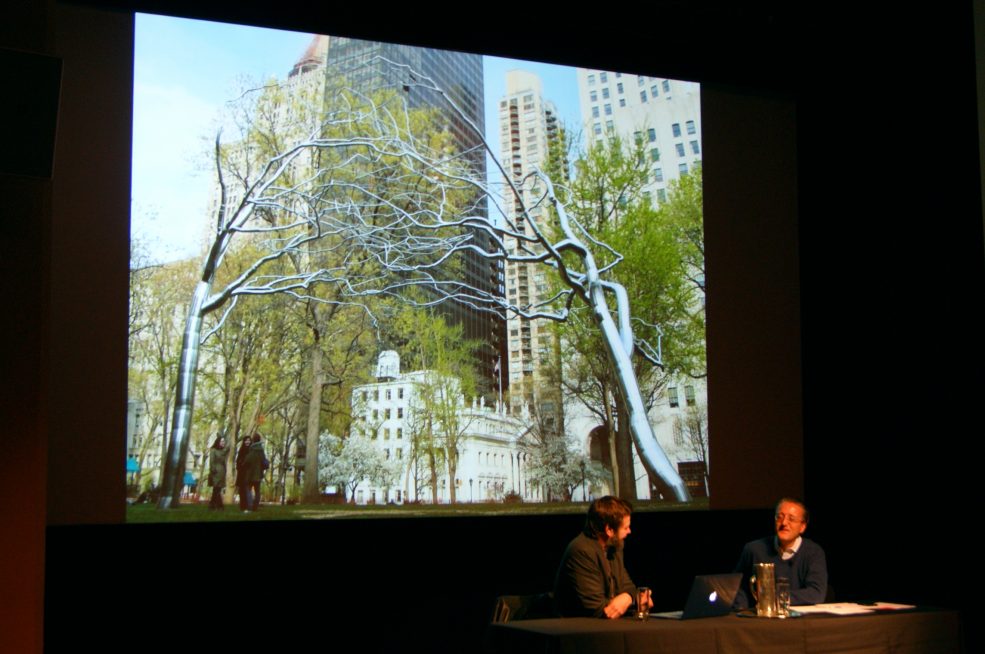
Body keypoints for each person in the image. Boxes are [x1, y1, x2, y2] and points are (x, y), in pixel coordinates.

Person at [554, 496, 652, 619]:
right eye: (625, 527)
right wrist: (630, 600)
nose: (629, 531)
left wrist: (633, 598)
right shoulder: (581, 551)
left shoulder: (614, 548)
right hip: (577, 630)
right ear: (609, 530)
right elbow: (597, 609)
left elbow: (628, 587)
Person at [732, 497, 828, 609]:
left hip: (797, 621)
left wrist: (773, 598)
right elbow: (737, 587)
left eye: (791, 519)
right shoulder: (753, 549)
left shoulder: (814, 552)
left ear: (802, 527)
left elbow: (816, 593)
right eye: (779, 517)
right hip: (760, 619)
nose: (784, 523)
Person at [243, 432, 268, 511]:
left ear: (253, 440)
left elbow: (247, 461)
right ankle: (255, 507)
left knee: (248, 490)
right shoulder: (261, 451)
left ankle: (250, 506)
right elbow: (264, 462)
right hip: (258, 474)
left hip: (250, 474)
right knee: (257, 491)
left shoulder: (252, 450)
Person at [207, 434, 229, 510]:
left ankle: (214, 505)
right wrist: (213, 471)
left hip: (222, 472)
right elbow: (211, 461)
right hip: (216, 472)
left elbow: (224, 461)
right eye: (222, 441)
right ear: (218, 442)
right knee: (216, 488)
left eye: (224, 441)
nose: (223, 443)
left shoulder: (223, 451)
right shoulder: (213, 450)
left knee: (218, 489)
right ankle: (217, 505)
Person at [235, 435, 253, 512]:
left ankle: (247, 506)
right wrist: (240, 465)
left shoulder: (251, 450)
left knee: (247, 490)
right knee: (241, 490)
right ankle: (242, 506)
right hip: (241, 473)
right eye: (246, 440)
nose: (247, 442)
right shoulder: (241, 450)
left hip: (248, 473)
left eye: (249, 440)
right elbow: (238, 461)